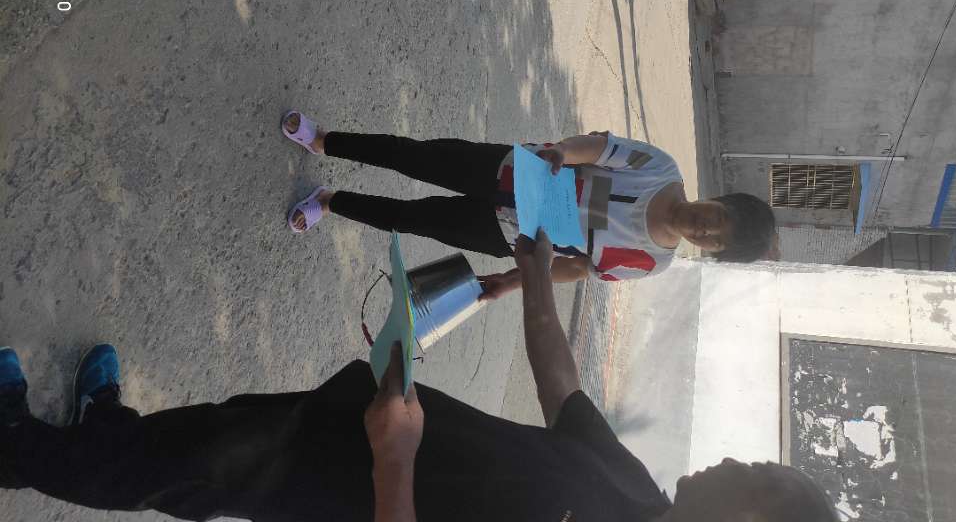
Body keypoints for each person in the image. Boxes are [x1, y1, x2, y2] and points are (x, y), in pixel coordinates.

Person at [0, 233, 838, 522]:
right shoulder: (639, 492)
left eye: (756, 476)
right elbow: (564, 392)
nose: (736, 460)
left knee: (177, 469)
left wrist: (395, 458)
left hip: (330, 486)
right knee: (197, 436)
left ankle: (19, 447)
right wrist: (536, 277)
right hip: (350, 423)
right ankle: (102, 428)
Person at [281, 112, 776, 298]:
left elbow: (578, 268)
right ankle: (326, 141)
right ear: (719, 200)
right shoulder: (661, 169)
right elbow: (599, 147)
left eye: (715, 242)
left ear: (710, 251)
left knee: (411, 220)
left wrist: (515, 280)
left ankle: (330, 202)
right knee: (414, 157)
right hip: (515, 172)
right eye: (718, 218)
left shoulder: (651, 262)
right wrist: (562, 152)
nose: (705, 229)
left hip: (507, 235)